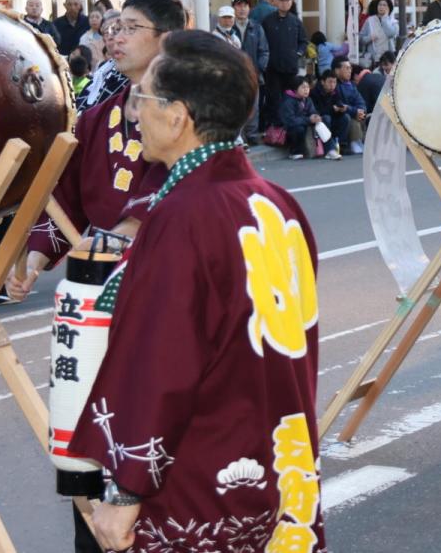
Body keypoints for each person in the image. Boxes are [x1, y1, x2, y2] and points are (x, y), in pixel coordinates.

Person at [65, 30, 326, 553]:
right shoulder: (276, 201)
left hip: (201, 467)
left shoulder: (184, 215)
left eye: (142, 98)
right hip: (277, 457)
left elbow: (160, 364)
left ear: (178, 117)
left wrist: (126, 490)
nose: (134, 113)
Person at [8, 0, 182, 551]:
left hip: (154, 298)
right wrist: (36, 258)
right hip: (92, 301)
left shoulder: (186, 116)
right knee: (90, 438)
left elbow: (186, 189)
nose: (115, 36)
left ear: (167, 38)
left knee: (148, 431)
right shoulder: (98, 117)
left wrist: (127, 232)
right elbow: (66, 201)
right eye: (112, 27)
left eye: (130, 27)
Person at [260, 0, 307, 132]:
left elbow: (303, 41)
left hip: (290, 68)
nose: (284, 3)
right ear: (275, 1)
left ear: (291, 2)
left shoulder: (296, 21)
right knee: (273, 98)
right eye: (281, 0)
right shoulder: (267, 21)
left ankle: (289, 128)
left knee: (290, 98)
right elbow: (261, 43)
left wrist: (298, 53)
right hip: (272, 68)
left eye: (287, 0)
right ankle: (275, 129)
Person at [231, 0, 268, 143]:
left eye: (245, 6)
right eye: (238, 6)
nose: (242, 9)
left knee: (254, 106)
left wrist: (258, 69)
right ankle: (238, 136)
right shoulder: (229, 28)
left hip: (253, 74)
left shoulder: (256, 27)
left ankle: (252, 135)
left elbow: (264, 51)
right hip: (235, 75)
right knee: (237, 105)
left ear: (249, 9)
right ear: (233, 9)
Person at [280, 75, 338, 160]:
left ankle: (330, 150)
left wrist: (316, 116)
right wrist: (308, 120)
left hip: (305, 122)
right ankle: (295, 151)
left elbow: (312, 111)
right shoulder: (288, 101)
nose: (306, 90)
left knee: (325, 119)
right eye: (303, 87)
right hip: (290, 129)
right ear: (295, 89)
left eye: (307, 87)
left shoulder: (307, 100)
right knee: (299, 128)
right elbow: (290, 121)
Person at [332, 56, 367, 155]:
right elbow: (340, 105)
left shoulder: (351, 85)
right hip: (339, 116)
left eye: (350, 68)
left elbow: (361, 103)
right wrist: (354, 111)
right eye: (346, 68)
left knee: (365, 116)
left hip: (352, 113)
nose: (350, 71)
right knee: (350, 118)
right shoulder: (334, 85)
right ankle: (352, 143)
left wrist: (360, 111)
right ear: (337, 70)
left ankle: (360, 142)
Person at [360, 0, 398, 68]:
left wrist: (385, 19)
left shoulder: (393, 22)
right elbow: (361, 39)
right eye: (380, 4)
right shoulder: (369, 20)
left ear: (389, 8)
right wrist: (369, 38)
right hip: (373, 59)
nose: (381, 7)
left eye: (384, 5)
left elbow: (391, 34)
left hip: (388, 59)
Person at [356, 51, 393, 115]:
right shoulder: (377, 73)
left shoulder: (397, 72)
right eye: (382, 65)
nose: (384, 67)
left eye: (386, 64)